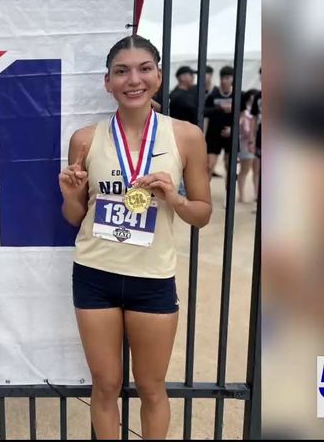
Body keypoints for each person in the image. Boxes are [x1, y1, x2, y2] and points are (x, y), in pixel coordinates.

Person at [58, 35, 212, 440]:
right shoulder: (85, 139)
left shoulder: (186, 137)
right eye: (121, 71)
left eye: (144, 69)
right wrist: (72, 197)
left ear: (159, 76)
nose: (133, 79)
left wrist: (174, 197)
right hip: (94, 274)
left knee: (151, 387)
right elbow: (75, 217)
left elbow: (203, 214)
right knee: (106, 385)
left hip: (153, 279)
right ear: (107, 82)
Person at [204, 66, 235, 201]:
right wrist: (219, 108)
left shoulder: (238, 94)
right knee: (209, 166)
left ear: (233, 79)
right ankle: (203, 196)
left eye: (227, 78)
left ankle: (229, 197)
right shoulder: (214, 94)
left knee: (230, 166)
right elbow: (204, 111)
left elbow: (243, 116)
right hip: (213, 134)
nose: (224, 81)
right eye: (222, 77)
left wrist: (233, 129)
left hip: (231, 134)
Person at [237, 89, 259, 203]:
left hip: (256, 143)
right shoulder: (243, 112)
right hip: (246, 143)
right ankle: (241, 195)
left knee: (256, 170)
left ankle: (256, 194)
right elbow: (243, 128)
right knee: (245, 169)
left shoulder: (256, 112)